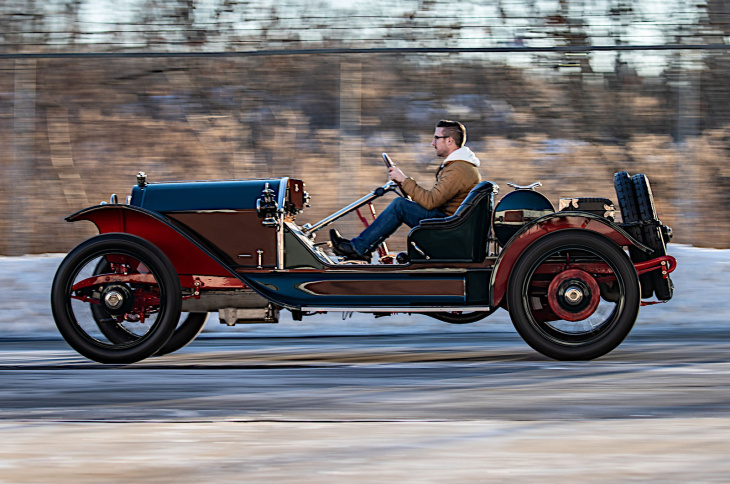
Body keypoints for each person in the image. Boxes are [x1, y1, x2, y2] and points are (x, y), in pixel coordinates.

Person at [330, 119, 482, 261]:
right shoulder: (459, 166)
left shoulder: (459, 169)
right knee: (402, 205)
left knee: (400, 206)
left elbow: (431, 202)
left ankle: (358, 249)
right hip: (450, 224)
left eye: (436, 138)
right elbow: (435, 201)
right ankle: (362, 248)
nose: (432, 143)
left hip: (448, 229)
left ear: (449, 140)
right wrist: (406, 185)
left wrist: (404, 180)